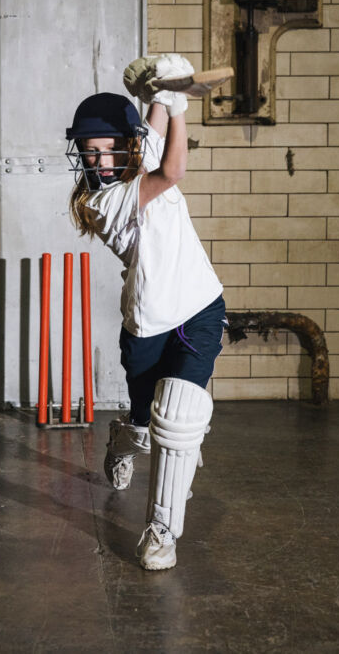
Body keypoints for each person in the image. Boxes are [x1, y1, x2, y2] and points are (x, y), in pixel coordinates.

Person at [64, 54, 226, 570]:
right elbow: (173, 170)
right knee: (143, 423)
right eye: (91, 152)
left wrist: (163, 94)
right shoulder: (105, 201)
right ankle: (124, 439)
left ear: (128, 143)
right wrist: (176, 106)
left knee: (177, 417)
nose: (101, 160)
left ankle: (161, 531)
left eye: (110, 147)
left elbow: (151, 130)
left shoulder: (142, 152)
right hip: (147, 322)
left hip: (199, 306)